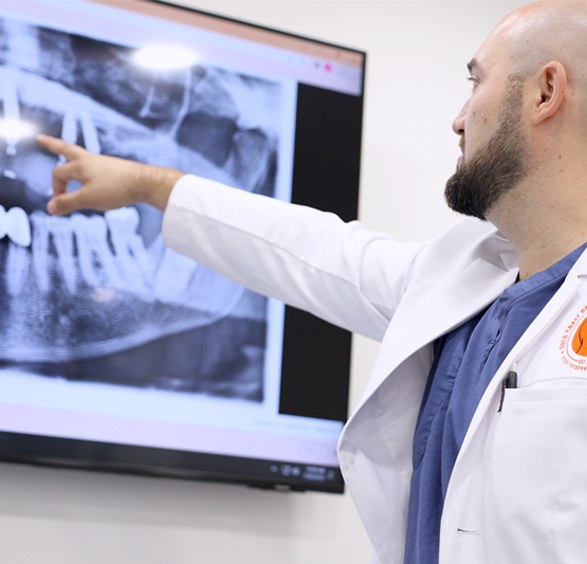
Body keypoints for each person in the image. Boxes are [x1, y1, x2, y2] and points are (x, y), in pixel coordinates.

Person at [35, 1, 587, 562]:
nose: (460, 117)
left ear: (545, 92)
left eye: (477, 82)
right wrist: (149, 184)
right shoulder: (465, 279)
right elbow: (312, 252)